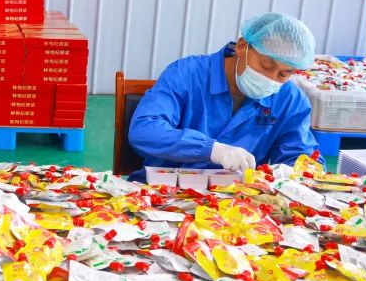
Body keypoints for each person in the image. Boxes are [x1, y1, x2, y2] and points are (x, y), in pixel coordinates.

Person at [128, 12, 319, 182]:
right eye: (266, 66)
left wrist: (292, 172)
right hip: (163, 189)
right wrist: (211, 149)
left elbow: (303, 157)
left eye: (283, 74)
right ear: (242, 46)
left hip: (240, 199)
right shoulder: (187, 74)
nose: (271, 78)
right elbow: (144, 130)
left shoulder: (289, 100)